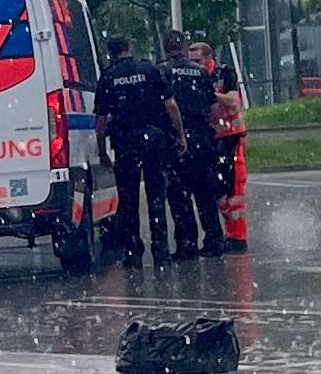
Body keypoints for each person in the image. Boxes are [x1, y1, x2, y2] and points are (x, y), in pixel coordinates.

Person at [91, 35, 187, 268]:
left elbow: (101, 119)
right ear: (129, 48)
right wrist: (180, 134)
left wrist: (102, 149)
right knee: (157, 195)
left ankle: (133, 252)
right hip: (153, 139)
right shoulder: (149, 69)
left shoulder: (108, 77)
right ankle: (161, 251)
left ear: (111, 52)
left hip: (125, 141)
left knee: (128, 199)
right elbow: (171, 104)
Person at [165, 36, 223, 261]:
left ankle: (187, 244)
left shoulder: (162, 71)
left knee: (180, 195)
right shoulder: (200, 73)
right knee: (206, 193)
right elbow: (214, 110)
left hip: (177, 140)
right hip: (202, 138)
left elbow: (166, 106)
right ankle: (214, 240)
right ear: (182, 47)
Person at [191, 39, 250, 254]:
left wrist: (210, 92)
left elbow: (233, 101)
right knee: (217, 190)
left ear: (209, 58)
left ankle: (237, 236)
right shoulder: (195, 78)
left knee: (234, 188)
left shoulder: (224, 74)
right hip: (212, 139)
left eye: (197, 60)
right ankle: (229, 233)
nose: (194, 65)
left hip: (231, 137)